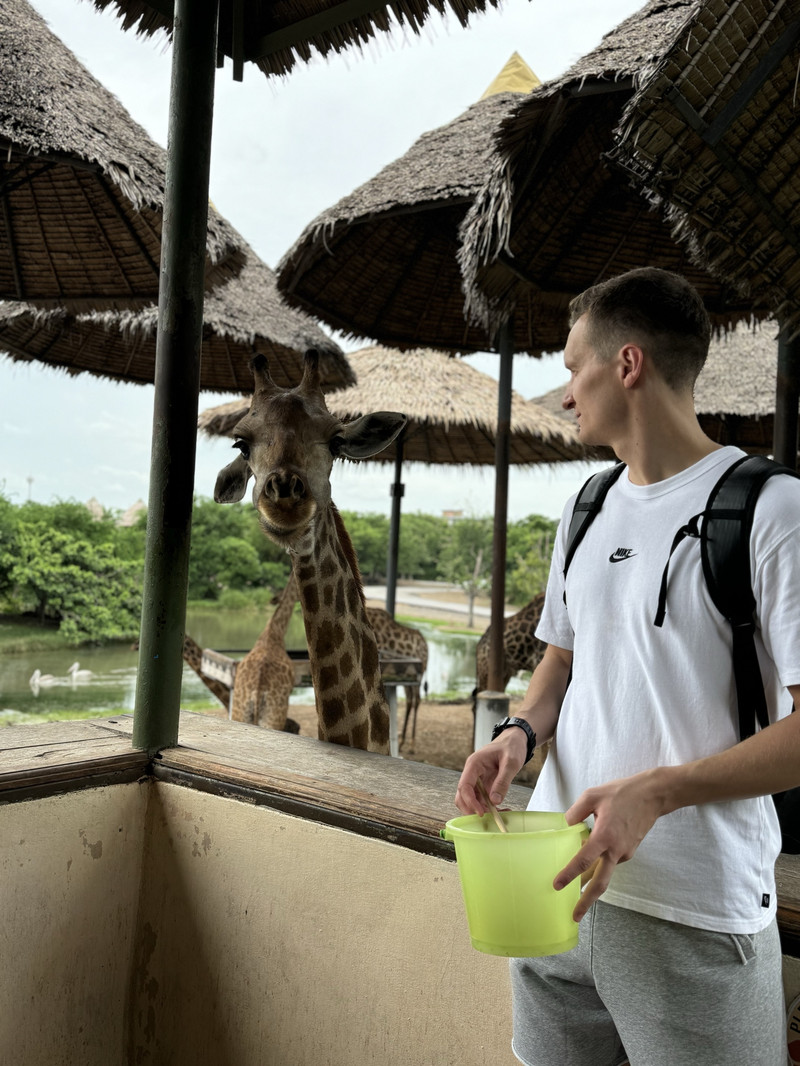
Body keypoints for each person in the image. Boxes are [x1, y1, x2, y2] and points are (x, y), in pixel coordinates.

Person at [455, 267, 800, 1066]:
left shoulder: (771, 510)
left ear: (629, 364)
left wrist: (657, 791)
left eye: (575, 366)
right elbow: (562, 664)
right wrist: (514, 736)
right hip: (551, 896)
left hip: (694, 914)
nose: (566, 391)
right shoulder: (585, 506)